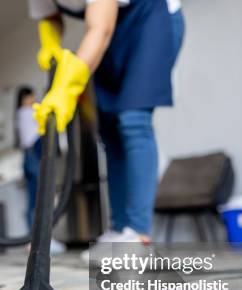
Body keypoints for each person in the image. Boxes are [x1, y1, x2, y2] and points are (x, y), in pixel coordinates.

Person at [27, 0, 184, 257]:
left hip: (149, 20)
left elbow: (100, 30)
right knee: (109, 130)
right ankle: (119, 229)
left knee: (133, 120)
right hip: (109, 32)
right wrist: (50, 44)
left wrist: (68, 87)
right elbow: (50, 14)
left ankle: (137, 234)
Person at [15, 86, 66, 255]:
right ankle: (42, 241)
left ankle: (34, 240)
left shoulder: (19, 114)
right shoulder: (27, 112)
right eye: (31, 97)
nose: (34, 100)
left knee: (33, 201)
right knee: (42, 198)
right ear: (24, 98)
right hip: (35, 157)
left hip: (28, 159)